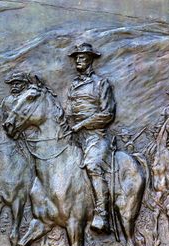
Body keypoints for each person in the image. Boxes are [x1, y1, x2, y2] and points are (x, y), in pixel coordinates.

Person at [65, 42, 116, 234]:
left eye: (83, 56)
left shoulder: (101, 84)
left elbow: (108, 114)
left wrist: (83, 124)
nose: (78, 59)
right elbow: (68, 112)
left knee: (93, 166)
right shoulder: (73, 86)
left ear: (91, 60)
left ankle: (102, 214)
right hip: (74, 136)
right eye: (76, 56)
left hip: (95, 135)